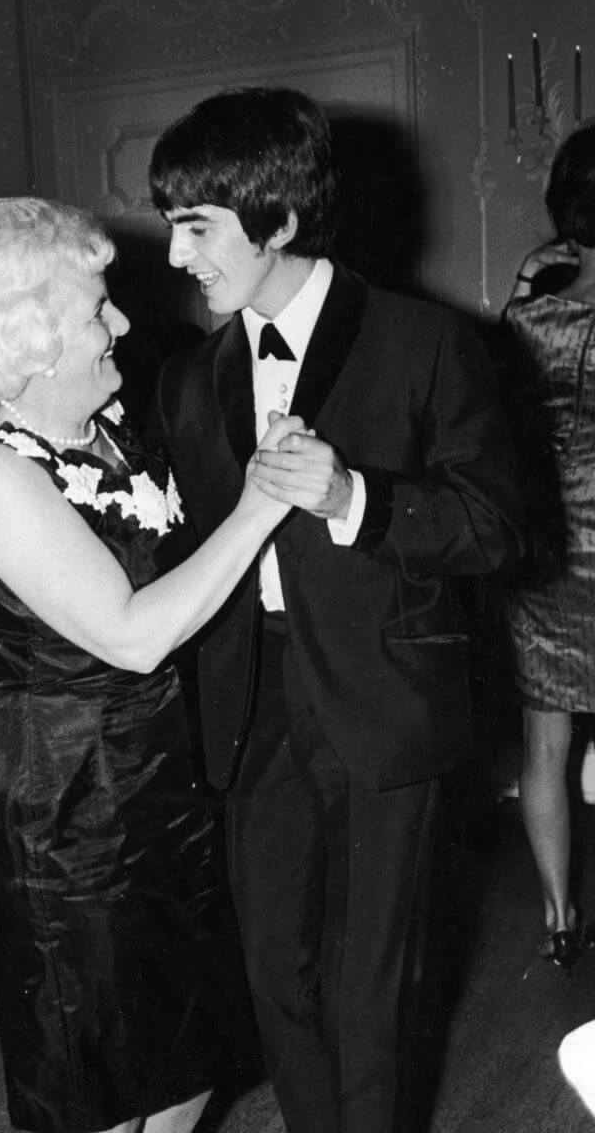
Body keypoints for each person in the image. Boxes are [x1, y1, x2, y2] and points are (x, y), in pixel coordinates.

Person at [148, 87, 525, 1133]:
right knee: (275, 975)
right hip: (252, 707)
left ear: (274, 220)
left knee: (372, 991)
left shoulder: (429, 344)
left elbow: (496, 527)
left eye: (196, 226)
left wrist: (355, 497)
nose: (177, 256)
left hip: (383, 705)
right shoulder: (189, 380)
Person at [0, 196, 303, 1133]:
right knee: (96, 1077)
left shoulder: (112, 437)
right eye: (97, 309)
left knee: (184, 1053)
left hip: (153, 789)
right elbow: (132, 634)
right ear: (35, 338)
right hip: (64, 818)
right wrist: (263, 505)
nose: (122, 321)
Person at [503, 122, 595, 972]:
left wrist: (534, 275)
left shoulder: (525, 322)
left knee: (545, 744)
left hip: (549, 552)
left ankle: (560, 918)